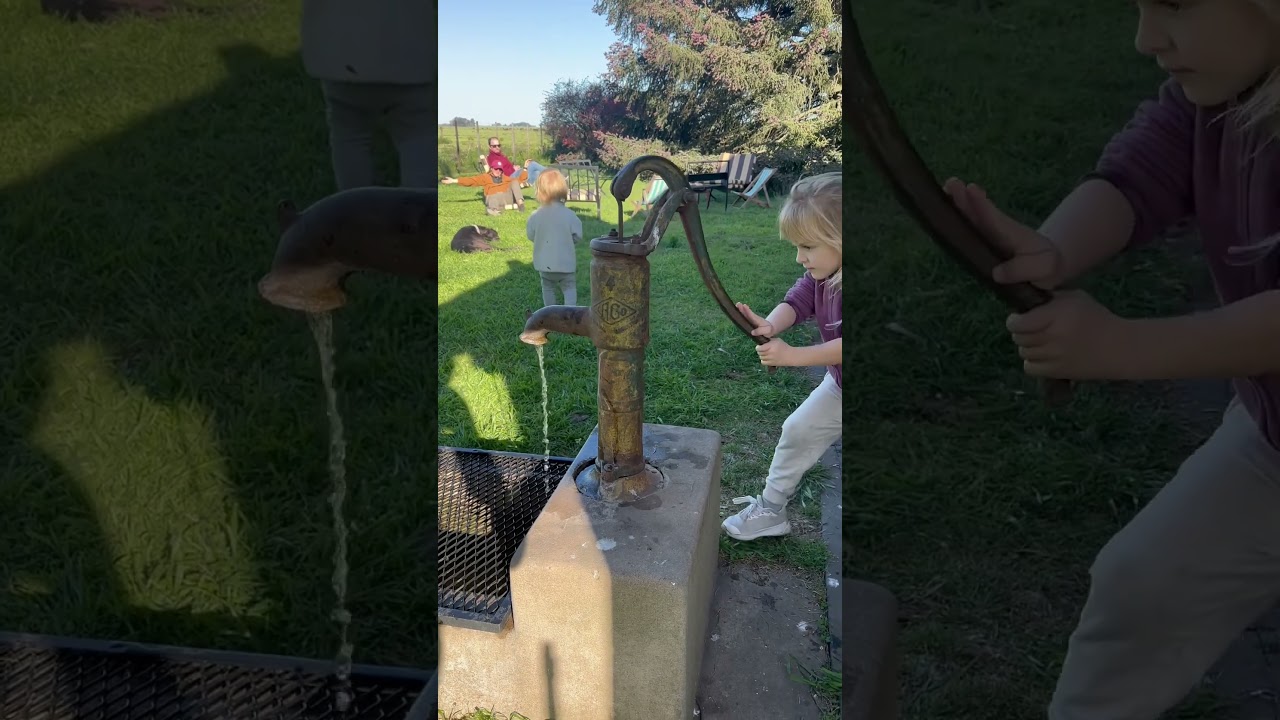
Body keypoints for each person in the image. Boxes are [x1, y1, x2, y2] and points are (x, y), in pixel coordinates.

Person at [941, 3, 1280, 717]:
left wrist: (1125, 347)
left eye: (1175, 5)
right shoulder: (1221, 89)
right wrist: (1052, 251)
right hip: (1271, 438)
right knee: (1142, 587)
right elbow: (1142, 172)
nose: (1145, 38)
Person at [721, 172, 842, 541]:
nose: (798, 257)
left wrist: (791, 355)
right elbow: (798, 300)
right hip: (841, 384)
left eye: (807, 247)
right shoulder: (822, 275)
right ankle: (772, 511)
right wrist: (772, 325)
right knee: (797, 431)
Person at [300, 0, 431, 190]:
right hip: (406, 47)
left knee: (350, 136)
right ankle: (419, 212)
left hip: (338, 50)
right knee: (417, 137)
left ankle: (355, 213)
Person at [526, 170, 583, 306]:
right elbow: (578, 236)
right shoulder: (569, 215)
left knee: (548, 288)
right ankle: (570, 315)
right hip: (566, 263)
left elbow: (531, 235)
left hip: (545, 264)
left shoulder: (535, 215)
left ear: (540, 190)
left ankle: (550, 316)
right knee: (569, 288)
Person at [441, 165, 529, 216]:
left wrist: (525, 168)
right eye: (496, 169)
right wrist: (454, 180)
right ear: (492, 169)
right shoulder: (485, 177)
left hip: (506, 198)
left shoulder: (506, 178)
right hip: (493, 198)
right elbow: (472, 180)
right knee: (492, 197)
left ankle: (521, 206)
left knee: (514, 182)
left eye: (500, 169)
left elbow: (520, 180)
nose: (498, 171)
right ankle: (493, 210)